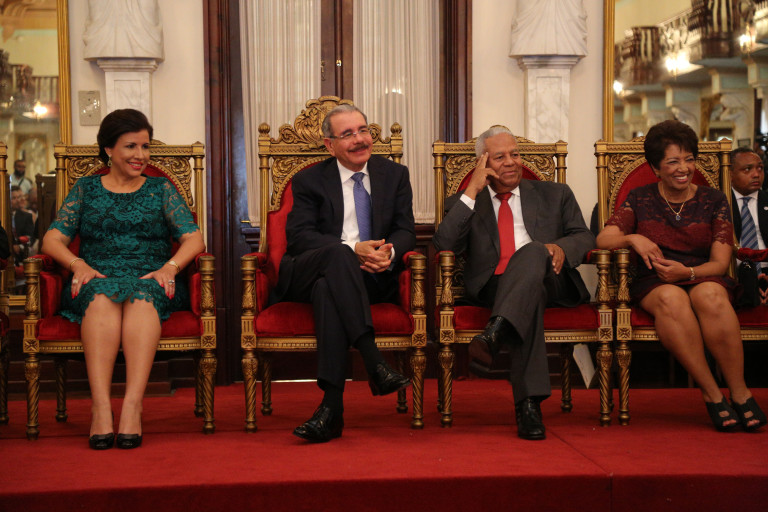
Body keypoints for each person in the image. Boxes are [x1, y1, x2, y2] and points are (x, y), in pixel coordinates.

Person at [41, 109, 205, 449]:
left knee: (143, 296)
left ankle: (132, 407)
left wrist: (170, 267)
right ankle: (101, 408)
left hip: (151, 277)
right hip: (96, 277)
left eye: (145, 147)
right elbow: (52, 240)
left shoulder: (160, 189)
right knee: (101, 296)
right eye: (131, 146)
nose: (140, 155)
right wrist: (77, 264)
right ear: (108, 149)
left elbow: (194, 239)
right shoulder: (86, 189)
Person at [596, 119, 766, 432]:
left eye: (689, 159)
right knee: (671, 299)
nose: (683, 168)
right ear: (656, 168)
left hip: (703, 274)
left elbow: (720, 263)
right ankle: (712, 393)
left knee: (711, 296)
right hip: (655, 281)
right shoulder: (640, 198)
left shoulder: (714, 200)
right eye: (673, 161)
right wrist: (633, 238)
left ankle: (740, 392)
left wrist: (686, 272)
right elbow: (603, 239)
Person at [432, 126, 595, 440]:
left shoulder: (555, 194)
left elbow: (584, 236)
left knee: (533, 251)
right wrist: (472, 189)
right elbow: (444, 243)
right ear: (483, 163)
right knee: (528, 299)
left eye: (515, 154)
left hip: (554, 279)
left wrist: (560, 247)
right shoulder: (466, 203)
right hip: (495, 286)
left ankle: (495, 332)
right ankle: (528, 405)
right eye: (499, 157)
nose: (511, 162)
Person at [274, 104, 415, 443]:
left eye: (363, 130)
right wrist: (352, 248)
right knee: (338, 254)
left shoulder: (395, 175)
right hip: (308, 272)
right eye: (348, 134)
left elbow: (405, 230)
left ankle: (331, 409)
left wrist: (388, 253)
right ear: (329, 145)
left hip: (369, 277)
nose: (359, 139)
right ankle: (374, 361)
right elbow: (299, 237)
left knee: (329, 290)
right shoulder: (309, 180)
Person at [729, 147, 768, 304]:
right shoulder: (720, 203)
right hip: (734, 272)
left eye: (760, 168)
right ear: (730, 174)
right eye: (747, 169)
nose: (756, 174)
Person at [10, 185, 37, 262]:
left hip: (21, 254)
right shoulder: (3, 216)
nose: (18, 200)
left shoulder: (26, 216)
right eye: (14, 198)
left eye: (18, 197)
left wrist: (20, 247)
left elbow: (31, 237)